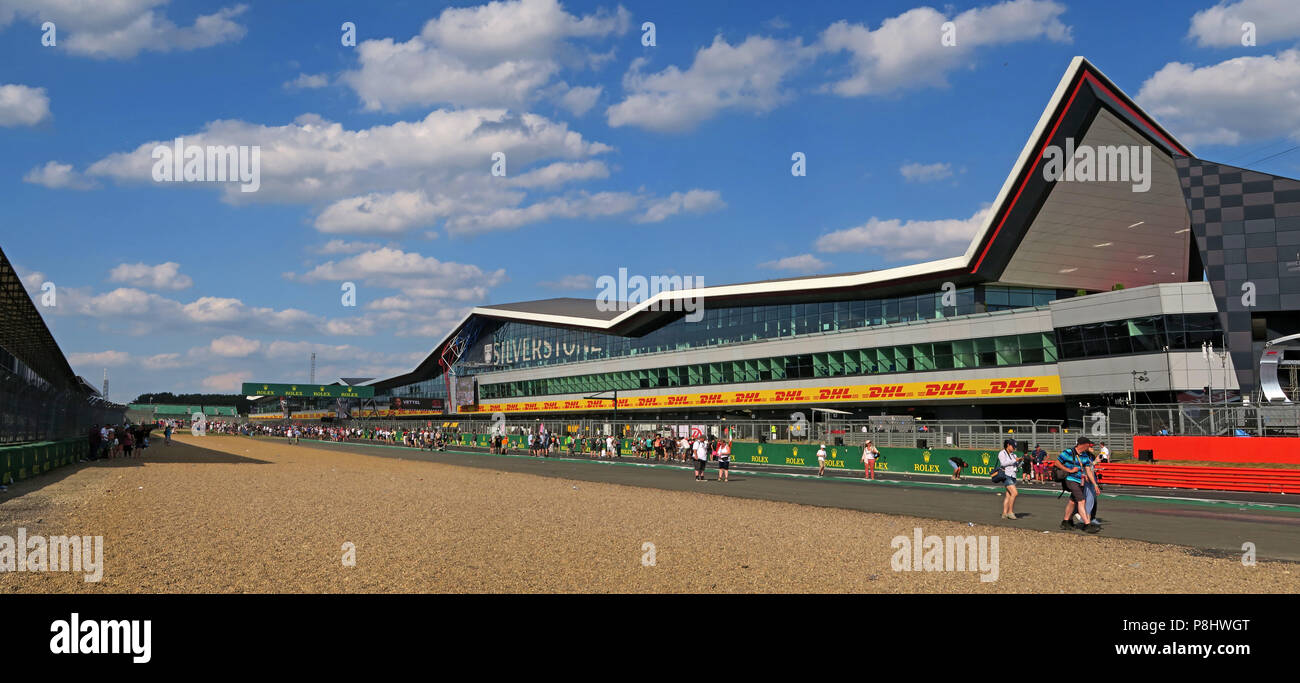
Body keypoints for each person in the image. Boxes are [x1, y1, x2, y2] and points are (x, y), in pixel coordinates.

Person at [1055, 437, 1101, 533]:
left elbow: (1088, 470)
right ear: (1083, 444)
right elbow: (1057, 463)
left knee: (1073, 501)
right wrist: (1069, 470)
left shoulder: (1084, 455)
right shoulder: (1068, 452)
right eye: (1088, 445)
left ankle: (1066, 521)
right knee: (1082, 500)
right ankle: (1087, 524)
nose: (1089, 447)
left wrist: (1095, 485)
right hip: (1070, 479)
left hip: (1080, 481)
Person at [997, 439, 1019, 519]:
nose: (1014, 448)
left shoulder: (1014, 455)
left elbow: (1015, 465)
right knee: (1015, 493)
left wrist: (1019, 462)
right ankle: (1010, 512)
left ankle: (1004, 513)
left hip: (1013, 475)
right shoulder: (1002, 453)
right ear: (1008, 445)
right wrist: (1014, 461)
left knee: (1008, 495)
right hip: (1006, 475)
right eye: (1013, 446)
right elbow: (1003, 463)